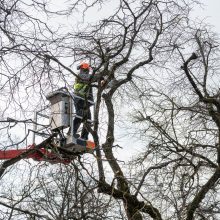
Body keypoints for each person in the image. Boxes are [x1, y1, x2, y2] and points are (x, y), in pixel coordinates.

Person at [73, 62, 104, 140]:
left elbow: (94, 78)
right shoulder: (80, 76)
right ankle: (71, 133)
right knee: (79, 116)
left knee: (88, 120)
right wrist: (100, 75)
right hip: (79, 99)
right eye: (86, 69)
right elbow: (90, 77)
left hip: (86, 101)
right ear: (82, 69)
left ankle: (84, 137)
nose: (87, 71)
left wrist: (103, 79)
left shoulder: (88, 77)